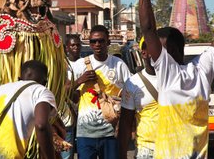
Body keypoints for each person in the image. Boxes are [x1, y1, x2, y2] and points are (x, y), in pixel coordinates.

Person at [138, 0, 214, 158]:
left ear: (171, 51)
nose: (154, 55)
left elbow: (147, 28)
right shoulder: (202, 70)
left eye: (159, 50)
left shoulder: (168, 72)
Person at [71, 25, 131, 159]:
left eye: (101, 41)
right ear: (90, 43)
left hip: (110, 133)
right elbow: (66, 92)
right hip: (85, 133)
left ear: (108, 42)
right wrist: (80, 80)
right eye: (93, 41)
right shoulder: (80, 64)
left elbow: (130, 93)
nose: (97, 44)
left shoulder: (118, 64)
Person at [118, 37, 159, 159]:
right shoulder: (133, 83)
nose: (159, 55)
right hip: (146, 151)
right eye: (154, 50)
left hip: (175, 149)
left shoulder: (178, 79)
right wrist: (122, 155)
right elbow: (125, 123)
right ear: (144, 53)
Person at [62, 34, 82, 159]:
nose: (75, 47)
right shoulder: (61, 65)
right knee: (66, 150)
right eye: (72, 45)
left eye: (78, 45)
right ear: (66, 47)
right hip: (65, 112)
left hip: (82, 110)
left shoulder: (86, 63)